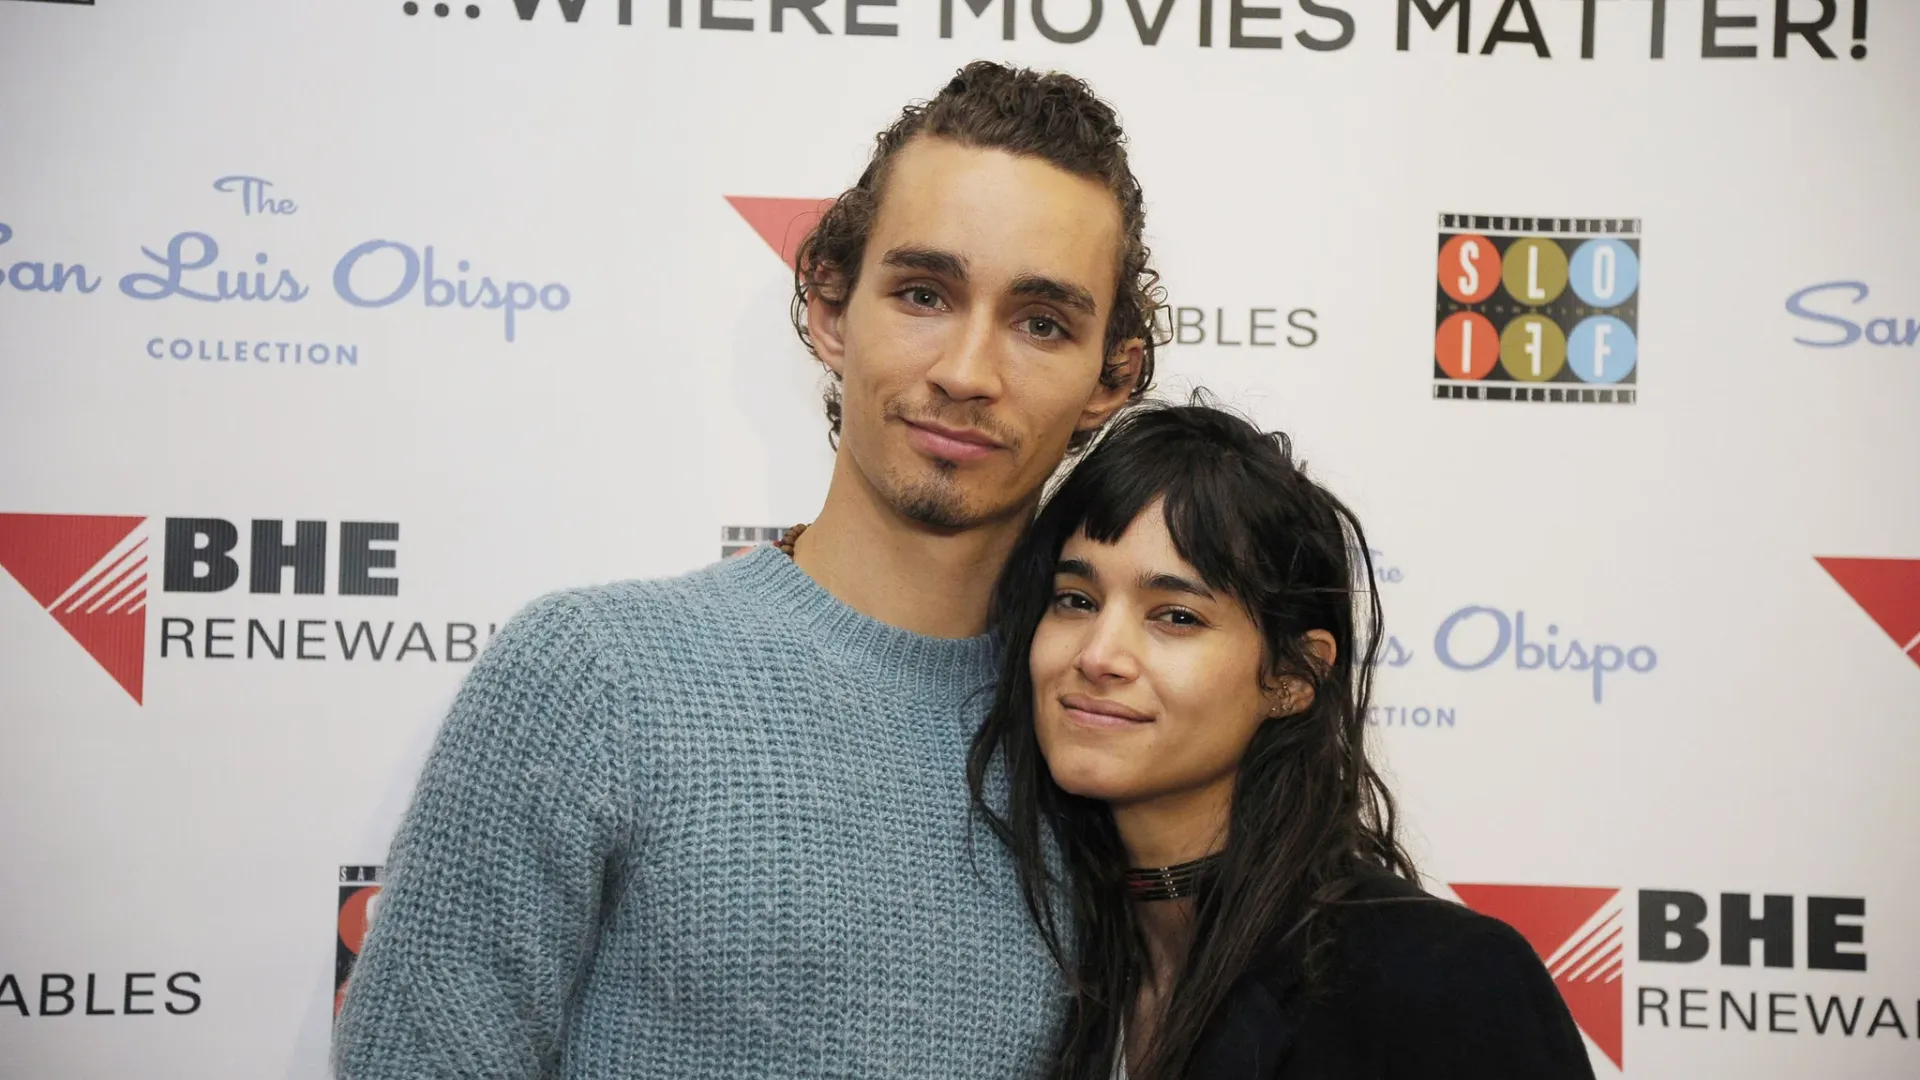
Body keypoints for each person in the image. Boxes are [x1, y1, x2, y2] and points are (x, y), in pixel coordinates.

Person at [332, 62, 1161, 1080]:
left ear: (1110, 377)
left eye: (1041, 322)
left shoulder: (1107, 726)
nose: (967, 371)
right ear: (827, 306)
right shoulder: (595, 677)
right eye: (923, 294)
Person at [970, 402, 1597, 1080]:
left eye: (1175, 616)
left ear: (1294, 677)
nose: (1099, 655)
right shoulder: (1045, 970)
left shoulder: (1444, 980)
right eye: (1076, 600)